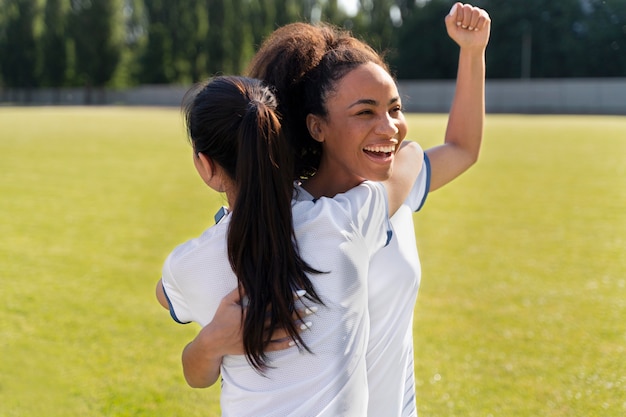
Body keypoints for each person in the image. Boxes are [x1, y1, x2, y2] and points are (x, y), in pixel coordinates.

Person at [178, 3, 489, 416]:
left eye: (395, 109)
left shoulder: (392, 190)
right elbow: (194, 349)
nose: (390, 127)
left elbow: (463, 148)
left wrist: (472, 52)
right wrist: (210, 342)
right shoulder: (279, 220)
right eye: (365, 112)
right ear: (316, 126)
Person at [156, 75, 423, 416]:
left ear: (206, 166)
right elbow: (409, 158)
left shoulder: (188, 266)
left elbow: (165, 298)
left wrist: (210, 341)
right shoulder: (346, 219)